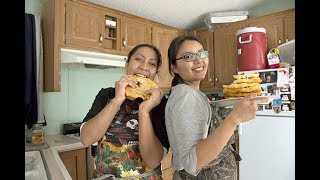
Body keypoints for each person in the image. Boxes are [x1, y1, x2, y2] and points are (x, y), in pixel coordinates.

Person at [165, 35, 268, 180]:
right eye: (188, 56)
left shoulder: (192, 94)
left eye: (201, 53)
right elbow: (192, 163)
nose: (199, 60)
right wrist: (234, 118)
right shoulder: (185, 96)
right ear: (173, 67)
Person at [80, 44, 169, 179]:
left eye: (152, 64)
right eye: (138, 59)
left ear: (155, 73)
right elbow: (86, 139)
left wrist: (144, 112)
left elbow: (152, 160)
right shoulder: (107, 95)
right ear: (126, 64)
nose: (144, 67)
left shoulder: (159, 104)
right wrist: (117, 99)